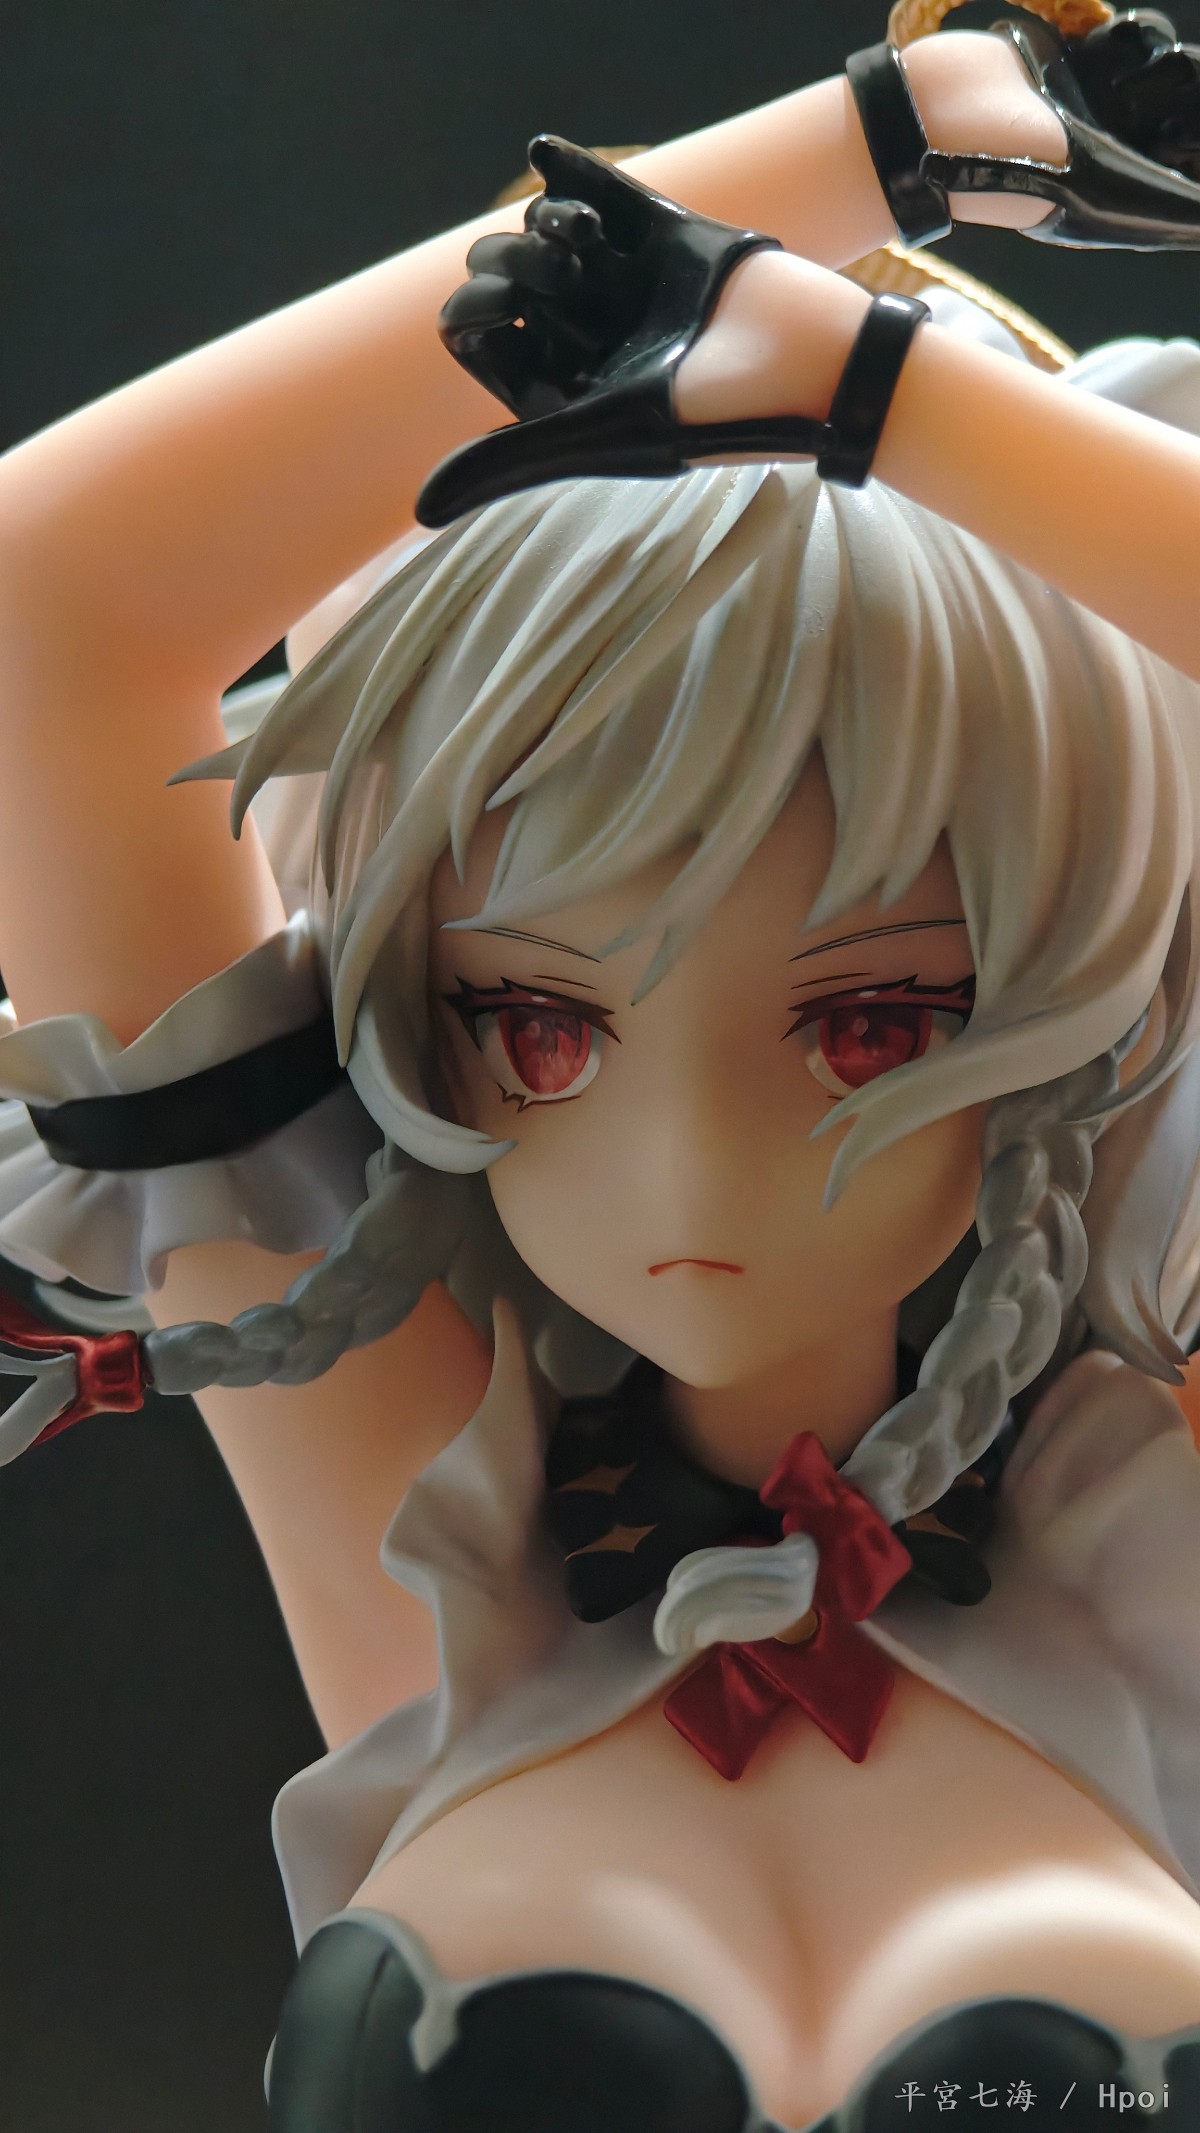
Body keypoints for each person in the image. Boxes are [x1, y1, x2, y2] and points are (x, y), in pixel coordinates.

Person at [3, 5, 1200, 2127]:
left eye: (871, 1024)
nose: (686, 1173)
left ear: (1056, 993)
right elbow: (52, 607)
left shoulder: (1151, 1514)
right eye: (541, 1026)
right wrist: (893, 136)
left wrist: (865, 381)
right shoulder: (427, 1519)